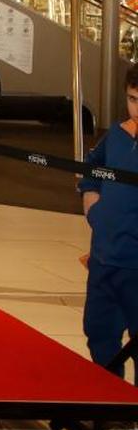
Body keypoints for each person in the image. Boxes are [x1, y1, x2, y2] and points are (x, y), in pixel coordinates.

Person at [79, 64, 138, 380]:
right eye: (132, 99)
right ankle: (113, 412)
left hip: (136, 266)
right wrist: (91, 201)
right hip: (103, 260)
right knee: (99, 333)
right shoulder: (118, 134)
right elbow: (92, 165)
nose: (137, 108)